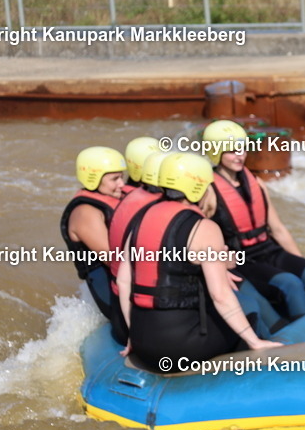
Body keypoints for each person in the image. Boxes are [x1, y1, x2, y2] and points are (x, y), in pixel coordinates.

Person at [117, 153, 281, 372]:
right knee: (249, 307)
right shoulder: (204, 228)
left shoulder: (141, 218)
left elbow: (123, 281)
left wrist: (132, 336)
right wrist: (255, 342)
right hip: (181, 349)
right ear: (198, 188)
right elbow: (221, 295)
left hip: (142, 342)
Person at [203, 120, 305, 323]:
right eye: (232, 151)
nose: (240, 155)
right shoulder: (209, 192)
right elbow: (199, 235)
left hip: (268, 250)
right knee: (290, 284)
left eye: (242, 148)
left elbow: (278, 229)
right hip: (242, 260)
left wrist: (300, 263)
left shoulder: (257, 184)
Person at [107, 151, 166, 345]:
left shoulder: (130, 201)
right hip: (143, 311)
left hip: (131, 302)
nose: (121, 184)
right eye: (114, 178)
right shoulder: (154, 212)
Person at [60, 146, 126, 319]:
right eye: (115, 179)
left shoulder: (105, 201)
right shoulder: (85, 214)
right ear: (93, 179)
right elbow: (115, 260)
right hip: (114, 302)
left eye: (122, 177)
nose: (122, 184)